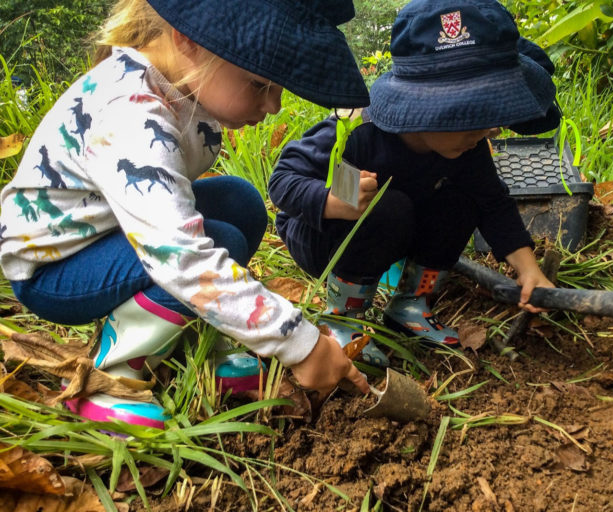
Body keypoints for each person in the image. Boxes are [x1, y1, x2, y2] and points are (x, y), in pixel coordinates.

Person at [0, 0, 372, 429]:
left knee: (240, 203)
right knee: (219, 243)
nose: (274, 105)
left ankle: (195, 343)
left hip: (105, 230)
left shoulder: (181, 82)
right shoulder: (130, 114)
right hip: (54, 268)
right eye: (258, 84)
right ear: (189, 40)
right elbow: (180, 255)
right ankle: (109, 380)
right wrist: (299, 343)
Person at [268, 0, 560, 368]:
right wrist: (333, 200)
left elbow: (492, 202)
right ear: (422, 107)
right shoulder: (360, 129)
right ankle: (343, 317)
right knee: (388, 206)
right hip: (325, 234)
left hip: (393, 231)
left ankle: (411, 304)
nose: (491, 130)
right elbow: (283, 179)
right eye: (472, 117)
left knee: (463, 199)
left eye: (491, 117)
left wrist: (529, 270)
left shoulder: (466, 147)